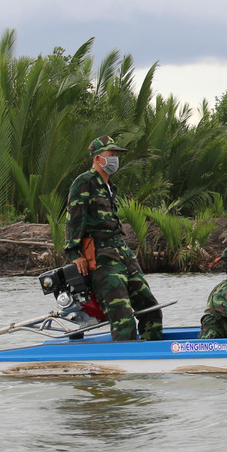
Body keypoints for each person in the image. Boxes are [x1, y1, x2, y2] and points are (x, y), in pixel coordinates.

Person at [65, 135, 162, 342]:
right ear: (97, 158)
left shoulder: (110, 187)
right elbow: (74, 219)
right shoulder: (84, 182)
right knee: (122, 316)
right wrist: (74, 253)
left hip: (122, 251)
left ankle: (152, 355)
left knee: (151, 308)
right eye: (111, 154)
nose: (115, 159)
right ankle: (124, 361)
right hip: (102, 257)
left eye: (117, 155)